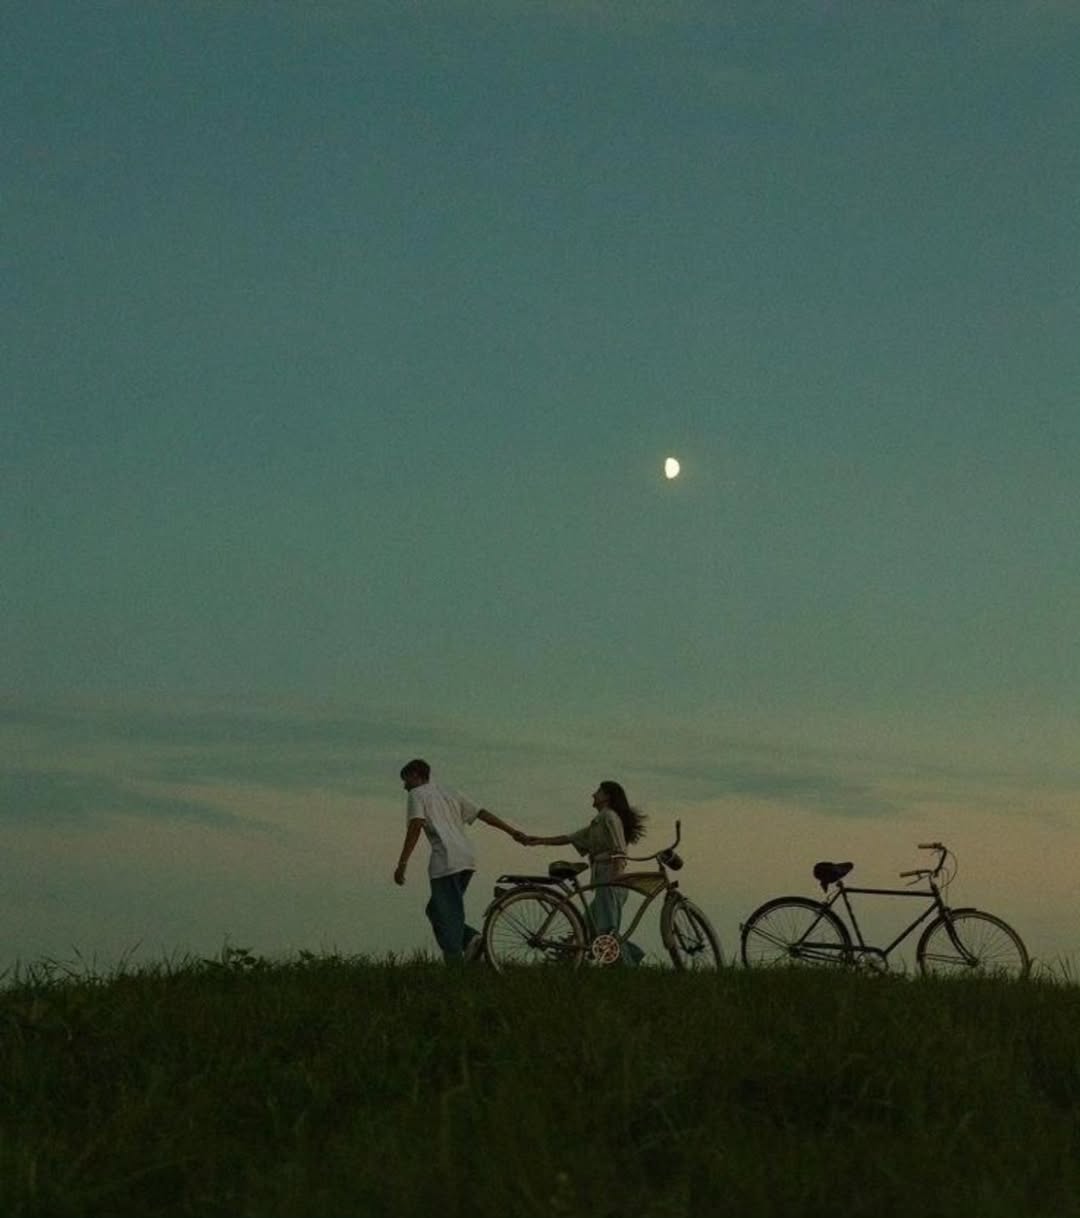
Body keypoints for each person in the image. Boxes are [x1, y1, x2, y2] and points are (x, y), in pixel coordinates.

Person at [394, 758, 525, 963]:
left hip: (445, 862)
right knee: (437, 910)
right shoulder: (450, 792)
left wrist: (402, 863)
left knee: (447, 915)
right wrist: (511, 831)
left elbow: (415, 825)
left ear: (415, 775)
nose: (404, 786)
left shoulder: (416, 794)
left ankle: (455, 962)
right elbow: (481, 813)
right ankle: (472, 939)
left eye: (406, 780)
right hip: (466, 859)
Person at [521, 780, 647, 964]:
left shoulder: (609, 817)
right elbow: (571, 838)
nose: (593, 795)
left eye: (598, 791)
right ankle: (632, 959)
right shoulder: (599, 821)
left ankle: (626, 965)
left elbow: (619, 851)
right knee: (591, 927)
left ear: (607, 797)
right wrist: (539, 840)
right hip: (604, 876)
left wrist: (615, 878)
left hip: (611, 876)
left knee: (606, 930)